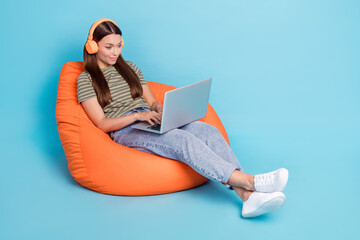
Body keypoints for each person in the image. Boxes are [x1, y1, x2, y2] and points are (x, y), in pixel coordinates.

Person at [77, 18, 289, 218]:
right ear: (93, 47)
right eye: (109, 47)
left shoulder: (130, 68)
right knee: (182, 140)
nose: (116, 52)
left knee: (208, 131)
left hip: (149, 119)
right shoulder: (86, 80)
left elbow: (151, 102)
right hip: (125, 129)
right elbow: (101, 123)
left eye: (119, 45)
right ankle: (250, 182)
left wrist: (162, 109)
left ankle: (247, 198)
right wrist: (138, 116)